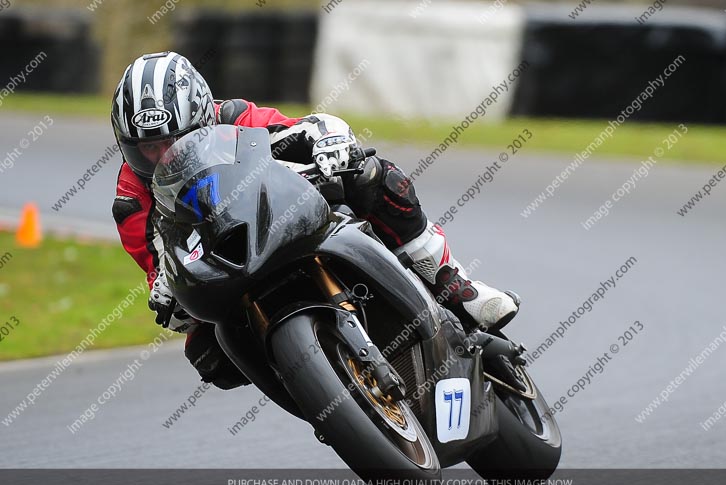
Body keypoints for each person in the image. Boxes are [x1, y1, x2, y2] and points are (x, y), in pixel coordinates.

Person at [111, 51, 519, 389]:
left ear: (203, 117)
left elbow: (307, 127)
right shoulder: (132, 198)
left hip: (279, 217)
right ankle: (316, 385)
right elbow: (157, 268)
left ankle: (452, 281)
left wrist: (330, 142)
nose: (162, 156)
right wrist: (165, 292)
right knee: (207, 355)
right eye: (146, 149)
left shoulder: (232, 117)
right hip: (223, 264)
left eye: (172, 141)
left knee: (372, 176)